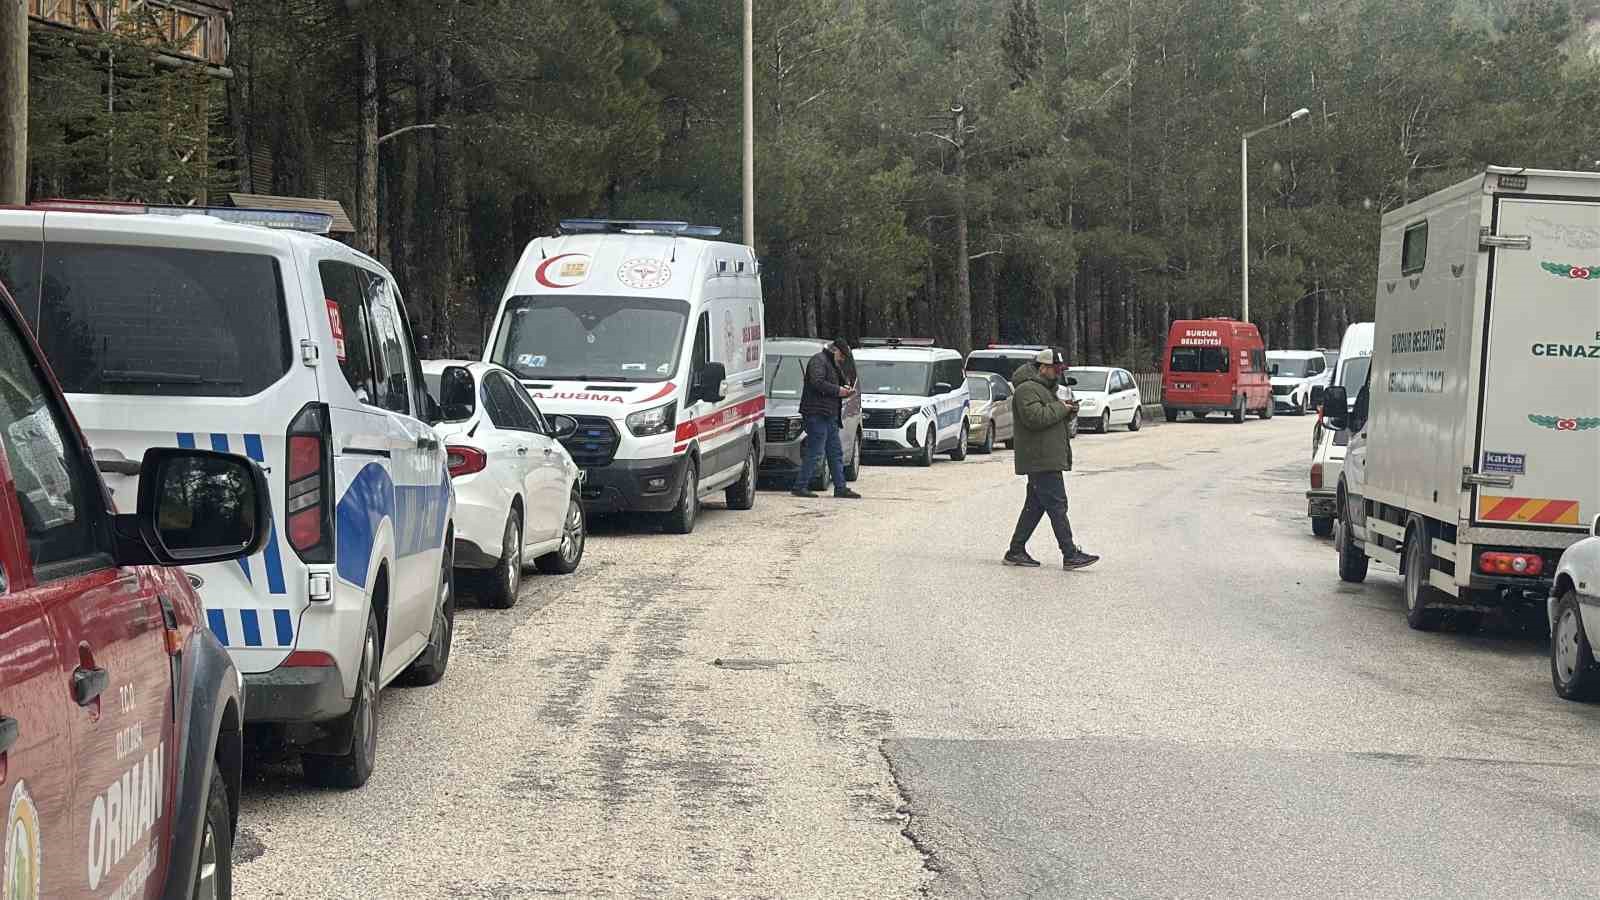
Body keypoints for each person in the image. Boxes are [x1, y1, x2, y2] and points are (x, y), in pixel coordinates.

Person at [1005, 347, 1098, 570]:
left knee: (1035, 507)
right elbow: (1035, 418)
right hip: (1040, 458)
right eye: (1055, 369)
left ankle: (1016, 550)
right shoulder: (1027, 390)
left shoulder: (1044, 389)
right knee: (1057, 505)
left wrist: (1068, 411)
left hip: (1044, 457)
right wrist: (1060, 407)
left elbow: (1050, 418)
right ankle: (1070, 554)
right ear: (1043, 368)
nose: (1058, 373)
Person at [792, 338, 863, 500]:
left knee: (834, 451)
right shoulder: (819, 360)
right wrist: (838, 391)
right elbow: (817, 382)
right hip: (817, 414)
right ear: (835, 350)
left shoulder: (830, 363)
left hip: (828, 414)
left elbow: (827, 383)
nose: (843, 359)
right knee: (815, 450)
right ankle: (800, 486)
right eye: (842, 355)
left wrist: (844, 388)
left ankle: (840, 487)